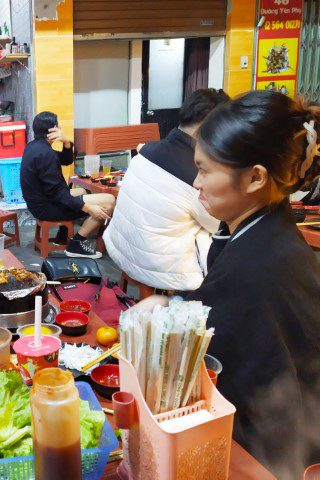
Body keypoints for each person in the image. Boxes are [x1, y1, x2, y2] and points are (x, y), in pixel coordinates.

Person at [130, 90, 320, 478]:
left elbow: (227, 359)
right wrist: (171, 303)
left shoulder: (260, 265)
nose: (196, 181)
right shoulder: (264, 228)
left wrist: (171, 308)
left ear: (254, 178)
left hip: (273, 454)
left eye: (205, 170)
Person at [104, 89, 230, 291]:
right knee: (226, 239)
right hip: (158, 268)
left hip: (121, 250)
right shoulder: (193, 174)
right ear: (212, 125)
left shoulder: (145, 151)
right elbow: (217, 225)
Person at [20, 111, 115, 259]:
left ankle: (62, 235)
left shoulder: (34, 147)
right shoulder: (46, 153)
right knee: (109, 200)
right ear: (53, 130)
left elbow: (66, 160)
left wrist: (66, 142)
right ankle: (76, 244)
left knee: (83, 190)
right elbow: (57, 194)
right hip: (47, 207)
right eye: (58, 127)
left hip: (40, 202)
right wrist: (87, 208)